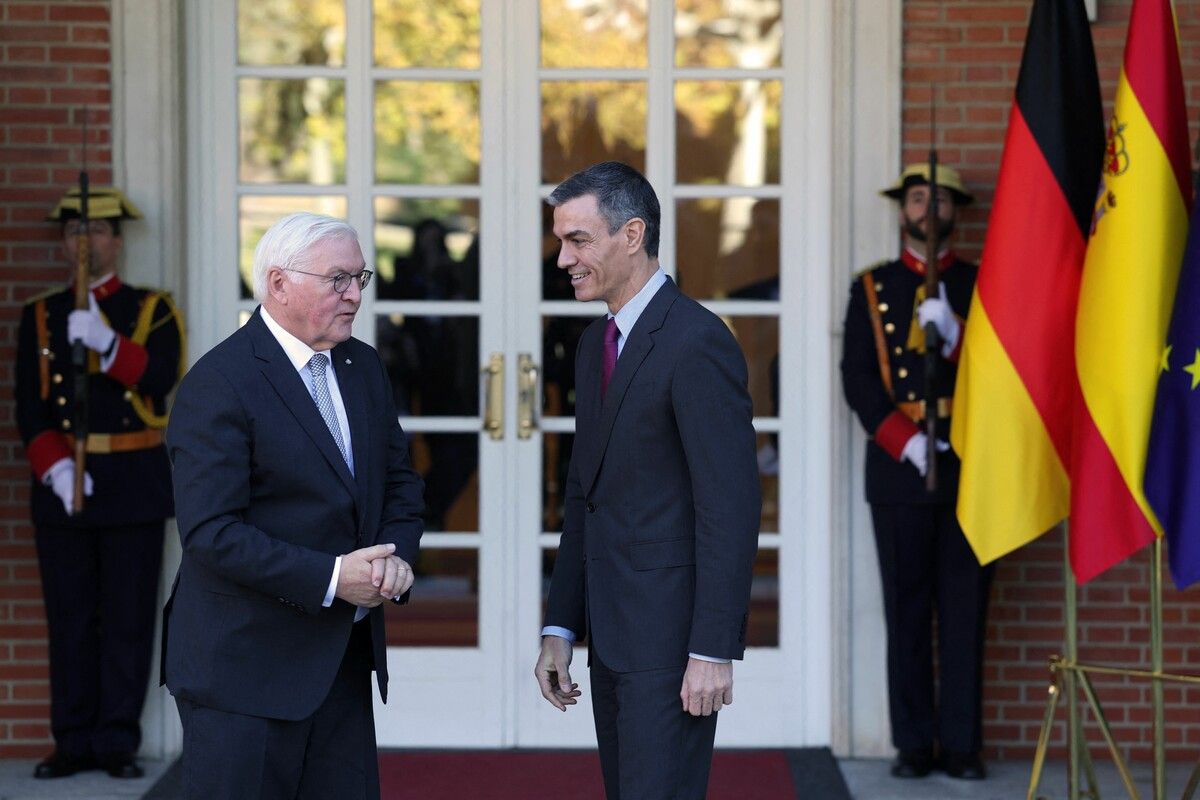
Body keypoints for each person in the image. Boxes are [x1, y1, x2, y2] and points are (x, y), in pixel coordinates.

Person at [162, 212, 424, 798]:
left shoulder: (363, 366)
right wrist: (335, 577)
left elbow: (401, 484)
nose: (355, 295)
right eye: (338, 279)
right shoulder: (220, 383)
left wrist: (395, 560)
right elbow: (211, 534)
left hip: (341, 664)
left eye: (361, 278)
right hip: (243, 674)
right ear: (279, 284)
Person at [534, 162, 761, 799]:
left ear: (632, 235)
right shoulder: (592, 347)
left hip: (674, 643)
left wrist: (713, 647)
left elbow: (730, 507)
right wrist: (560, 626)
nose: (563, 259)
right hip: (611, 638)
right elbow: (586, 495)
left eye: (578, 240)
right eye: (561, 241)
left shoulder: (696, 342)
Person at [14, 186, 184, 780]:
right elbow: (30, 408)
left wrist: (109, 346)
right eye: (73, 233)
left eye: (97, 231)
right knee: (70, 618)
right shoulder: (41, 314)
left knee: (128, 619)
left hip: (132, 482)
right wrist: (56, 468)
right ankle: (73, 739)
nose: (84, 242)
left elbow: (161, 377)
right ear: (63, 244)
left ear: (116, 241)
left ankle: (116, 741)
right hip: (64, 485)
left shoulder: (151, 309)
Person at [840, 163, 994, 781]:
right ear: (902, 208)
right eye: (917, 197)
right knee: (905, 611)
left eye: (939, 200)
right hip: (901, 471)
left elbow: (1008, 378)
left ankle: (961, 745)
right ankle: (913, 744)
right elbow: (856, 377)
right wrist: (906, 443)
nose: (928, 209)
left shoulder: (983, 285)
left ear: (957, 211)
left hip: (971, 467)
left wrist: (958, 337)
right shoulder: (872, 288)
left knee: (965, 611)